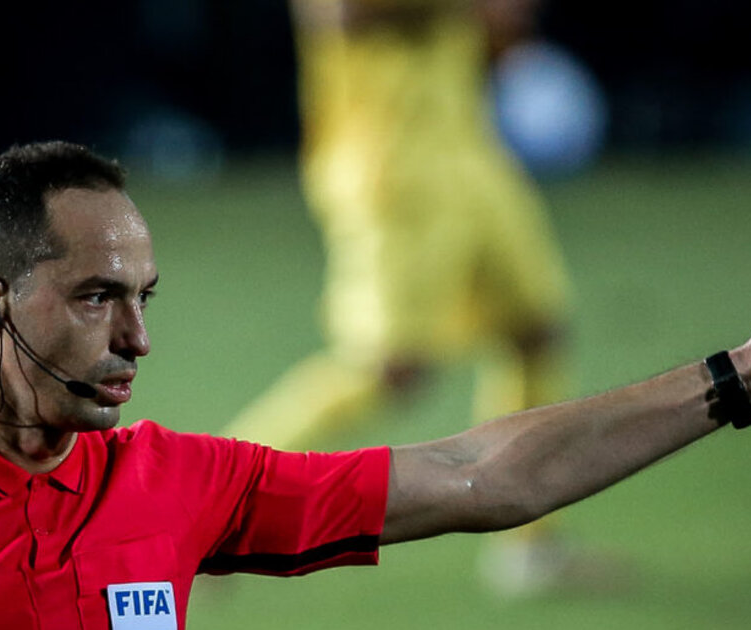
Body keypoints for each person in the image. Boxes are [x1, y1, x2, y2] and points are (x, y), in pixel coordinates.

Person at [0, 141, 751, 630]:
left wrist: (742, 377)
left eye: (145, 296)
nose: (138, 338)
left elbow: (479, 473)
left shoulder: (179, 485)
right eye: (98, 296)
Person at [223, 0, 579, 593]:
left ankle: (528, 550)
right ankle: (210, 501)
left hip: (470, 154)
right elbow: (340, 13)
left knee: (535, 333)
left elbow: (497, 33)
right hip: (393, 169)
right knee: (389, 371)